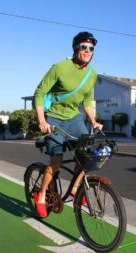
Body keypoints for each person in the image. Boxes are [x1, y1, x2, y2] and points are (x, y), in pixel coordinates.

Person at [33, 31, 103, 217]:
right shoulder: (60, 67)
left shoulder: (92, 74)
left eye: (91, 48)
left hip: (74, 119)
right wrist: (42, 120)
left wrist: (94, 121)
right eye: (84, 47)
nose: (88, 51)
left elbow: (87, 100)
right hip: (53, 118)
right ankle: (40, 196)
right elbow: (39, 93)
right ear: (75, 49)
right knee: (56, 161)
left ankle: (75, 189)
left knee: (88, 155)